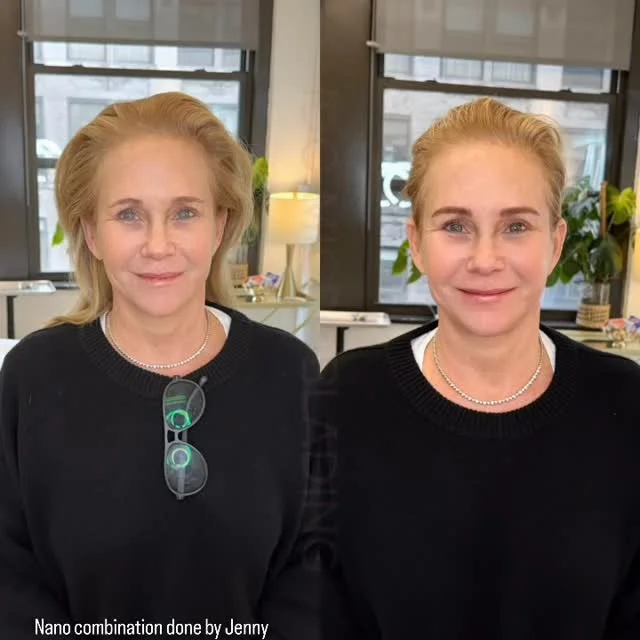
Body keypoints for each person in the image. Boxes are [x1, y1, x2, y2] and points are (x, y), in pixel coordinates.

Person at [0, 92, 323, 639]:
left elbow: (312, 571)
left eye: (184, 213)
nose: (158, 245)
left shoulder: (290, 373)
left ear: (219, 227)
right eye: (129, 214)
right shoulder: (33, 375)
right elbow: (10, 577)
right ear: (92, 233)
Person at [318, 97, 640, 639]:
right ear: (417, 243)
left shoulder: (626, 406)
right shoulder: (348, 398)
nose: (485, 259)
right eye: (456, 226)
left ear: (555, 243)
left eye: (516, 226)